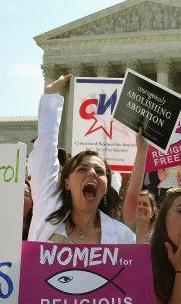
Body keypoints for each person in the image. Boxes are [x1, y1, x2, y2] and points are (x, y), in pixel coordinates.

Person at [27, 74, 134, 244]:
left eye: (99, 171)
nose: (92, 173)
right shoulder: (48, 210)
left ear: (106, 187)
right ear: (67, 182)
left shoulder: (124, 238)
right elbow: (45, 153)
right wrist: (51, 98)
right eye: (82, 169)